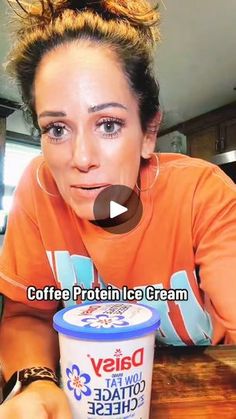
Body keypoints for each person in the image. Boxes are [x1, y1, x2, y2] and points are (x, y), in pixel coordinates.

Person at [0, 0, 236, 417]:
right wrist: (36, 381)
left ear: (148, 133)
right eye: (57, 128)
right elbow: (26, 313)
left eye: (108, 124)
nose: (82, 157)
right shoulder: (39, 190)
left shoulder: (201, 192)